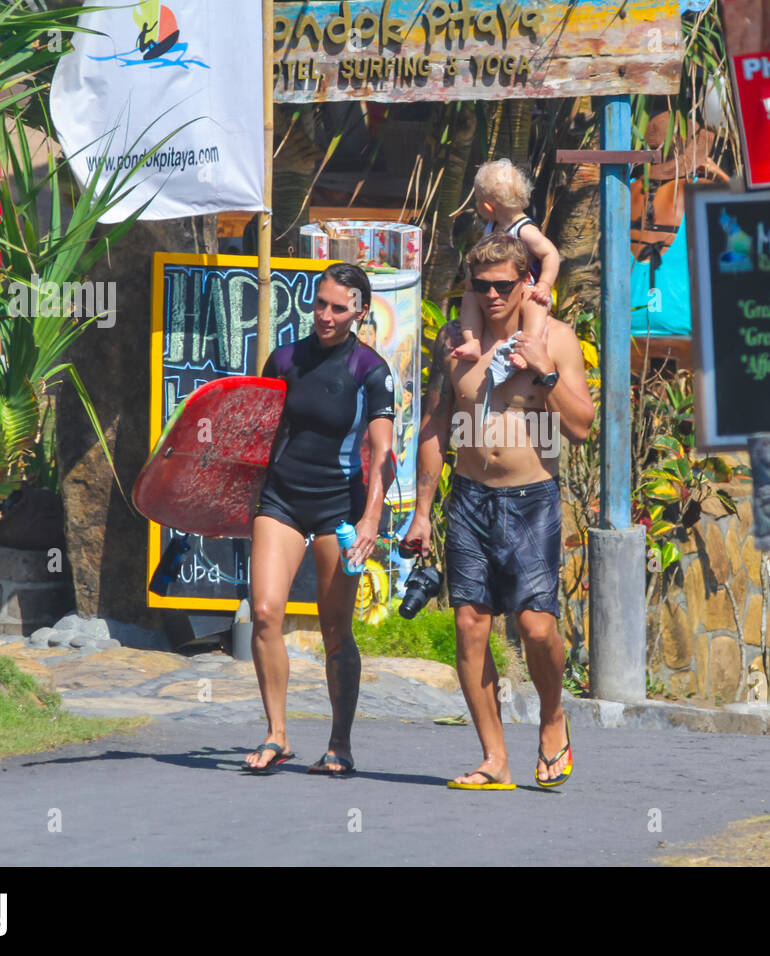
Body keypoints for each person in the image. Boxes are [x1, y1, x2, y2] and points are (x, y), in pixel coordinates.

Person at [404, 232, 595, 789]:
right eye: (480, 285)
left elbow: (581, 427)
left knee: (537, 628)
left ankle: (553, 718)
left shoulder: (555, 339)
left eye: (503, 285)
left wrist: (546, 374)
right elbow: (438, 426)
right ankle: (494, 758)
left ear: (525, 284)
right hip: (469, 497)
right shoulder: (454, 342)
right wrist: (422, 511)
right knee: (470, 625)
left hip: (531, 499)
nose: (491, 295)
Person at [243, 262, 395, 774]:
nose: (325, 315)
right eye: (319, 304)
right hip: (282, 500)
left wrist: (371, 521)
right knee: (264, 613)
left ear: (359, 311)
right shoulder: (283, 359)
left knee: (335, 628)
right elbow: (255, 434)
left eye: (337, 307)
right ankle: (276, 734)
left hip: (339, 510)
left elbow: (383, 454)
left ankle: (340, 743)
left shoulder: (369, 370)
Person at [451, 159, 561, 367]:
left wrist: (544, 284)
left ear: (486, 206)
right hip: (499, 290)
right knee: (470, 297)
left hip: (528, 288)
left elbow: (551, 254)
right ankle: (473, 342)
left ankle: (529, 347)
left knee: (532, 302)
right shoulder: (493, 226)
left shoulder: (524, 230)